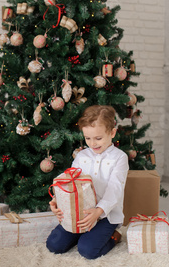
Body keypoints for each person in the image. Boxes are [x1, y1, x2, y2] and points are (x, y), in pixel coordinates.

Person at [46, 105, 129, 259]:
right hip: (79, 212)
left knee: (87, 251)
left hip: (105, 216)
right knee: (54, 245)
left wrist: (98, 212)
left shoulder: (120, 157)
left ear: (112, 133)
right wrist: (57, 202)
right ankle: (83, 234)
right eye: (87, 138)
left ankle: (114, 236)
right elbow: (69, 183)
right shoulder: (81, 156)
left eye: (98, 138)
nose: (93, 143)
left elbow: (115, 190)